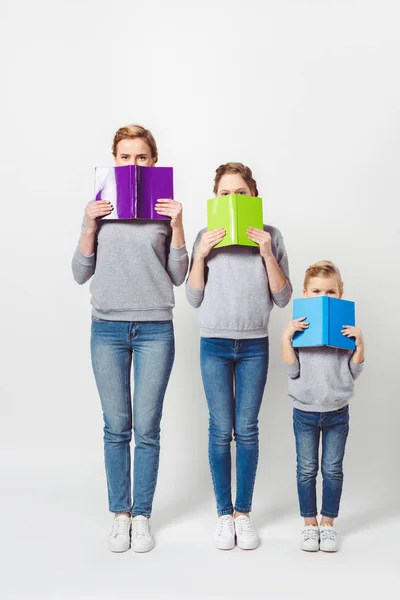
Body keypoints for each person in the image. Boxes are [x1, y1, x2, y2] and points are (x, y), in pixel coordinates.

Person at [72, 124, 188, 553]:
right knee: (117, 426)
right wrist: (88, 225)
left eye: (141, 157)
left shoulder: (163, 208)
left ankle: (143, 516)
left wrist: (178, 225)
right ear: (114, 159)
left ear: (153, 161)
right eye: (125, 156)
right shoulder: (100, 207)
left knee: (148, 427)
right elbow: (79, 272)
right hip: (107, 327)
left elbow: (179, 276)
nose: (133, 163)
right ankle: (120, 515)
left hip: (156, 327)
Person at [186, 162, 292, 550]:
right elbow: (194, 298)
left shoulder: (271, 236)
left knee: (246, 430)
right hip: (213, 343)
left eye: (240, 193)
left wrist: (267, 253)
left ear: (253, 196)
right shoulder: (205, 236)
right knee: (220, 430)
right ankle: (223, 514)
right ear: (216, 198)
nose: (233, 199)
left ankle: (243, 514)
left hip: (253, 345)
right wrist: (199, 255)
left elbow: (283, 297)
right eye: (225, 194)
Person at [281, 260, 364, 552]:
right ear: (306, 294)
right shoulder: (302, 327)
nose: (324, 297)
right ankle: (309, 524)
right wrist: (286, 337)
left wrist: (359, 344)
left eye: (330, 291)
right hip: (304, 411)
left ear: (340, 294)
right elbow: (292, 371)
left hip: (337, 411)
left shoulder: (344, 329)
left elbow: (353, 372)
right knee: (306, 469)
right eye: (316, 292)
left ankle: (327, 524)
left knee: (332, 469)